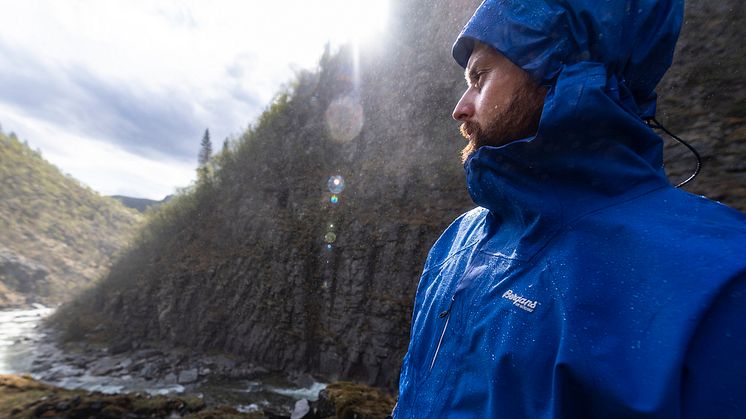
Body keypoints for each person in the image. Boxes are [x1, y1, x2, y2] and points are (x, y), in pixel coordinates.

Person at [393, 0, 746, 417]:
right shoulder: (456, 241)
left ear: (559, 64)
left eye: (479, 77)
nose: (460, 108)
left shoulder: (718, 281)